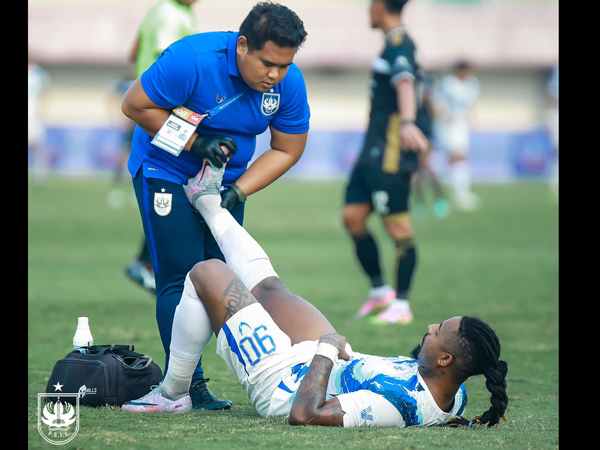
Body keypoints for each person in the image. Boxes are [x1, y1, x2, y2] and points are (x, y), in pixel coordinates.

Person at [121, 160, 509, 429]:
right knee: (272, 288)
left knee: (207, 272)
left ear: (444, 357)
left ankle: (173, 393)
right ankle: (207, 199)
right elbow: (444, 411)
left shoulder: (396, 402)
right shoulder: (453, 395)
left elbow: (305, 415)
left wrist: (325, 350)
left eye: (438, 329)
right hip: (329, 362)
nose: (429, 326)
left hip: (285, 386)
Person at [120, 2, 310, 410]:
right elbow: (134, 105)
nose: (275, 75)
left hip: (222, 183)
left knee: (219, 279)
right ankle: (185, 387)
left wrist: (237, 191)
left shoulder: (288, 82)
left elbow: (288, 148)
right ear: (243, 45)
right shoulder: (191, 60)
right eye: (268, 63)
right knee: (180, 275)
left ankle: (200, 383)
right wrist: (194, 142)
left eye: (285, 65)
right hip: (165, 168)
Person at [342, 0, 429, 326]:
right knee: (353, 218)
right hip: (372, 150)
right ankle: (380, 292)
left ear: (380, 5)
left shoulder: (398, 43)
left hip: (390, 154)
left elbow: (405, 81)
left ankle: (402, 305)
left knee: (397, 227)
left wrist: (408, 123)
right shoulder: (391, 44)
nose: (368, 10)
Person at [124, 0, 200, 296]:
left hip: (154, 108)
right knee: (170, 183)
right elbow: (170, 63)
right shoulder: (170, 14)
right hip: (165, 112)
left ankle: (152, 264)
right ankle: (151, 266)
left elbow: (134, 51)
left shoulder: (163, 10)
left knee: (173, 185)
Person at [433, 61, 481, 211]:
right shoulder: (447, 84)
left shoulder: (473, 85)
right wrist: (444, 117)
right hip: (448, 124)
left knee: (461, 156)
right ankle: (459, 193)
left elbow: (471, 105)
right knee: (456, 156)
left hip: (462, 124)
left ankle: (459, 190)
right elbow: (437, 103)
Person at [412, 74, 450, 220]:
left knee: (425, 169)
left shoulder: (430, 107)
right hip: (414, 141)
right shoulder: (415, 106)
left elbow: (440, 115)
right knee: (417, 175)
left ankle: (440, 201)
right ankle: (421, 203)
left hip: (426, 141)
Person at [28, 52, 50, 187]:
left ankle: (40, 176)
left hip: (33, 117)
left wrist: (43, 111)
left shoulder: (38, 73)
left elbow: (45, 92)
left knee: (37, 147)